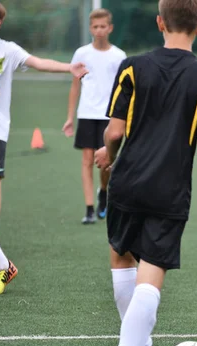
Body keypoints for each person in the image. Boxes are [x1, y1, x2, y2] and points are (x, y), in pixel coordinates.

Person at [94, 0, 197, 346]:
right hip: (168, 190)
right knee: (150, 280)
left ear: (159, 22)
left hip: (125, 183)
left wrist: (109, 157)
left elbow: (114, 133)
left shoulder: (132, 66)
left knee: (122, 260)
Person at [0, 1, 88, 295]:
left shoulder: (7, 50)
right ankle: (2, 264)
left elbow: (38, 62)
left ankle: (1, 262)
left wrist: (69, 68)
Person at [63, 8, 126, 224]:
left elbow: (123, 91)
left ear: (110, 28)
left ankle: (103, 191)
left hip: (109, 116)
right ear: (90, 29)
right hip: (87, 113)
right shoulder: (82, 54)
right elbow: (75, 87)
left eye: (103, 26)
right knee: (87, 160)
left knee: (106, 163)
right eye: (95, 27)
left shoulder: (119, 56)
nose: (99, 30)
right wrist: (70, 117)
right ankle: (89, 208)